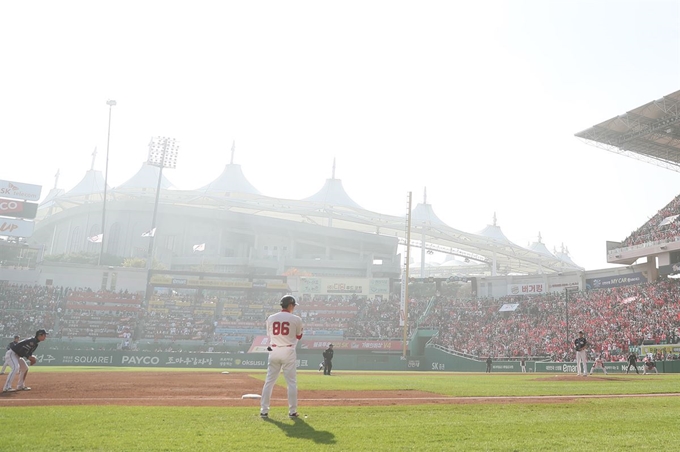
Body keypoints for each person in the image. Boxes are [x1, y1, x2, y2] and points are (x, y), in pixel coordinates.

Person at [260, 295, 304, 419]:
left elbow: (269, 334)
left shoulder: (271, 318)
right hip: (288, 349)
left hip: (273, 349)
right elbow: (299, 336)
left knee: (269, 382)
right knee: (291, 382)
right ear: (290, 305)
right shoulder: (296, 319)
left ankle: (264, 410)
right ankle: (292, 411)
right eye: (294, 305)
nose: (294, 307)